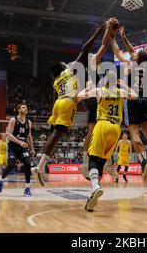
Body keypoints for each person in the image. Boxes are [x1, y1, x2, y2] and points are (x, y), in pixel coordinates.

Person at [32, 19, 118, 186]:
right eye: (65, 64)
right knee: (81, 132)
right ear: (63, 67)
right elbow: (86, 49)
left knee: (55, 136)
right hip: (74, 101)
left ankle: (42, 165)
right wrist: (101, 31)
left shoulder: (56, 82)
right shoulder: (71, 70)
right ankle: (43, 167)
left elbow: (55, 98)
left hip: (59, 103)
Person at [77, 72, 138, 212]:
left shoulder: (99, 91)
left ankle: (96, 187)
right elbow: (135, 95)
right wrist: (124, 85)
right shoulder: (120, 92)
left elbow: (79, 96)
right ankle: (93, 193)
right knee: (101, 162)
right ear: (115, 81)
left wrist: (87, 88)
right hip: (116, 129)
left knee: (93, 158)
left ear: (104, 81)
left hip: (102, 125)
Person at [111, 26, 147, 179]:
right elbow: (133, 50)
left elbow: (116, 52)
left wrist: (113, 37)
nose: (133, 53)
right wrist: (125, 36)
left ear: (136, 57)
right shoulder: (145, 65)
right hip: (144, 99)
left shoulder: (129, 64)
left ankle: (144, 160)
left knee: (134, 132)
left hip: (131, 99)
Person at [79, 19, 120, 181]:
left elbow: (104, 47)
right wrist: (108, 30)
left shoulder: (103, 70)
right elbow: (103, 46)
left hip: (102, 98)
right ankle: (86, 161)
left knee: (106, 129)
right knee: (93, 129)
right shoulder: (93, 64)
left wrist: (111, 32)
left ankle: (106, 162)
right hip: (95, 97)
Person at [0, 103, 35, 197]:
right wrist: (20, 142)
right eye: (23, 107)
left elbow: (29, 136)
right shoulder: (13, 120)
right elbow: (9, 134)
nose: (25, 108)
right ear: (18, 110)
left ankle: (27, 188)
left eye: (26, 107)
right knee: (10, 165)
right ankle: (1, 180)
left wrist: (32, 149)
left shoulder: (28, 122)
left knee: (28, 164)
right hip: (13, 147)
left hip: (23, 148)